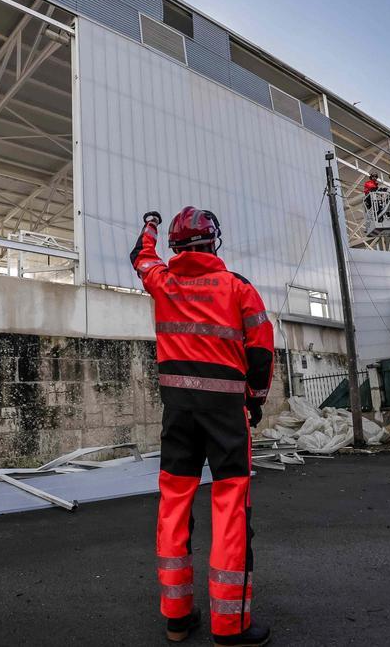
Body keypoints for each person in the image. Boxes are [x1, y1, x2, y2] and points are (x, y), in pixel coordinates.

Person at [130, 207, 274, 647]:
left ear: (175, 246)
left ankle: (177, 617)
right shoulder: (238, 287)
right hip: (226, 413)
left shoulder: (163, 281)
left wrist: (150, 226)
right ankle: (229, 626)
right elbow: (262, 353)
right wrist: (255, 401)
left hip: (178, 411)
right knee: (229, 507)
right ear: (213, 242)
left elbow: (139, 255)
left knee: (174, 503)